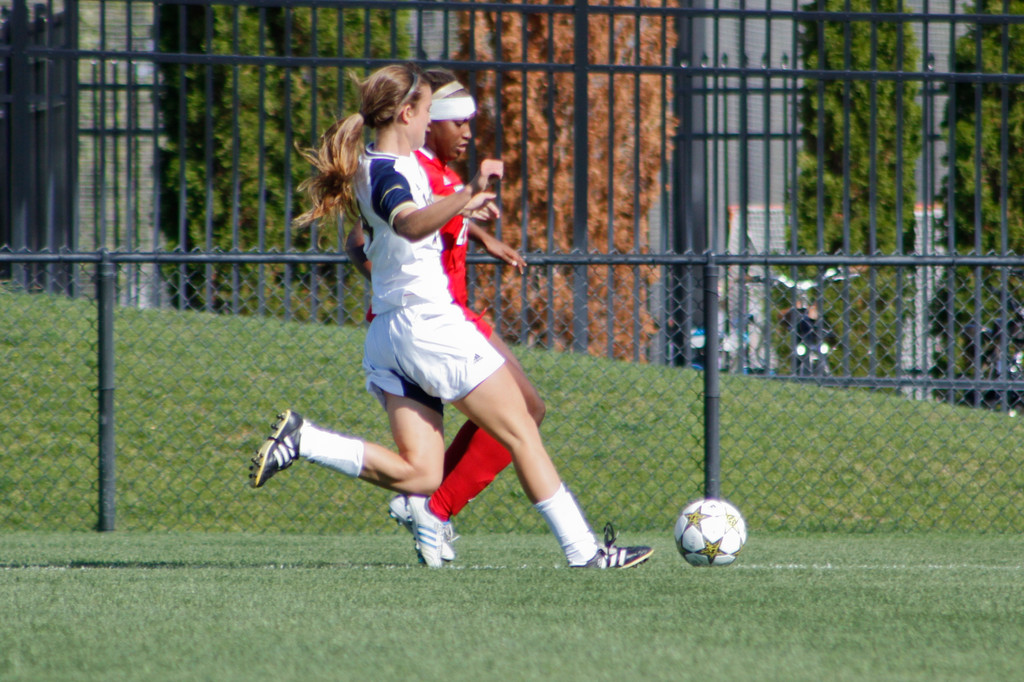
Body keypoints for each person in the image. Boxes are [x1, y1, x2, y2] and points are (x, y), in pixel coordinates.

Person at [249, 62, 652, 570]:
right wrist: (466, 195)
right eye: (426, 110)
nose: (433, 121)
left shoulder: (386, 163)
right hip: (430, 327)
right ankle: (586, 551)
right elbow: (411, 223)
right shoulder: (388, 172)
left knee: (420, 476)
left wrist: (467, 212)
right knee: (522, 429)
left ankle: (305, 439)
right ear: (406, 113)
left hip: (391, 335)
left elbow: (404, 222)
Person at [344, 68, 544, 563]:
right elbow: (369, 236)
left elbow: (441, 213)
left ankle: (430, 505)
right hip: (432, 319)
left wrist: (481, 234)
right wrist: (391, 289)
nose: (467, 133)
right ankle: (434, 508)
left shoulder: (439, 174)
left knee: (522, 417)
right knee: (525, 419)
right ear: (423, 120)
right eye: (454, 121)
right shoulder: (410, 165)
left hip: (448, 312)